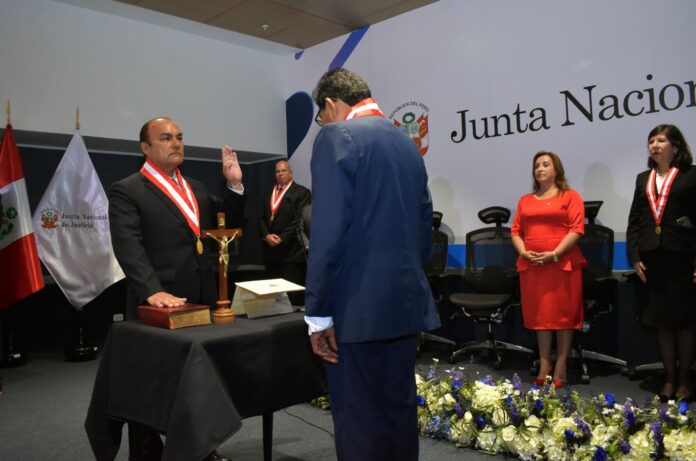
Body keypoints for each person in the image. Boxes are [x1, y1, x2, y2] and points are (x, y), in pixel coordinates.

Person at [304, 68, 440, 461]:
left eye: (321, 115)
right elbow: (423, 227)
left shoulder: (336, 136)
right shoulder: (408, 144)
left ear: (331, 104)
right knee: (398, 412)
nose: (324, 122)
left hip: (354, 309)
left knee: (358, 420)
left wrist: (318, 313)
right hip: (404, 304)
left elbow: (328, 232)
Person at [108, 116, 244, 461]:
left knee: (198, 381)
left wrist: (234, 186)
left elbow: (225, 223)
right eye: (166, 138)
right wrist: (151, 290)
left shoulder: (195, 187)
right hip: (155, 302)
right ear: (145, 147)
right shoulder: (127, 189)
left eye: (179, 137)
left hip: (199, 297)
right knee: (151, 382)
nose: (176, 143)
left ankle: (202, 450)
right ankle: (147, 453)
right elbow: (128, 245)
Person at [627, 124, 696, 402]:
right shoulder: (643, 178)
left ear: (675, 147)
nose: (654, 145)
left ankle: (685, 380)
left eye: (661, 140)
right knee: (663, 322)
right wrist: (634, 257)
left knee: (686, 322)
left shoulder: (691, 175)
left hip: (684, 257)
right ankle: (669, 378)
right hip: (652, 260)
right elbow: (634, 221)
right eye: (651, 141)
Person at [511, 151, 586, 389]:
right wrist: (524, 252)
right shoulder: (525, 200)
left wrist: (554, 254)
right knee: (540, 316)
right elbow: (515, 231)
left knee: (563, 315)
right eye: (536, 166)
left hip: (562, 264)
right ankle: (545, 364)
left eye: (545, 164)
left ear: (557, 170)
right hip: (533, 265)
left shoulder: (570, 196)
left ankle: (561, 364)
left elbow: (576, 229)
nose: (540, 169)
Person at [259, 159, 311, 305]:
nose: (280, 174)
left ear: (291, 173)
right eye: (277, 171)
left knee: (292, 297)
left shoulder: (302, 192)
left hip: (292, 252)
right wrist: (266, 235)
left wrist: (282, 237)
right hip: (271, 252)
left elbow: (299, 220)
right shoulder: (268, 192)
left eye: (284, 170)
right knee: (273, 298)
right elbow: (261, 218)